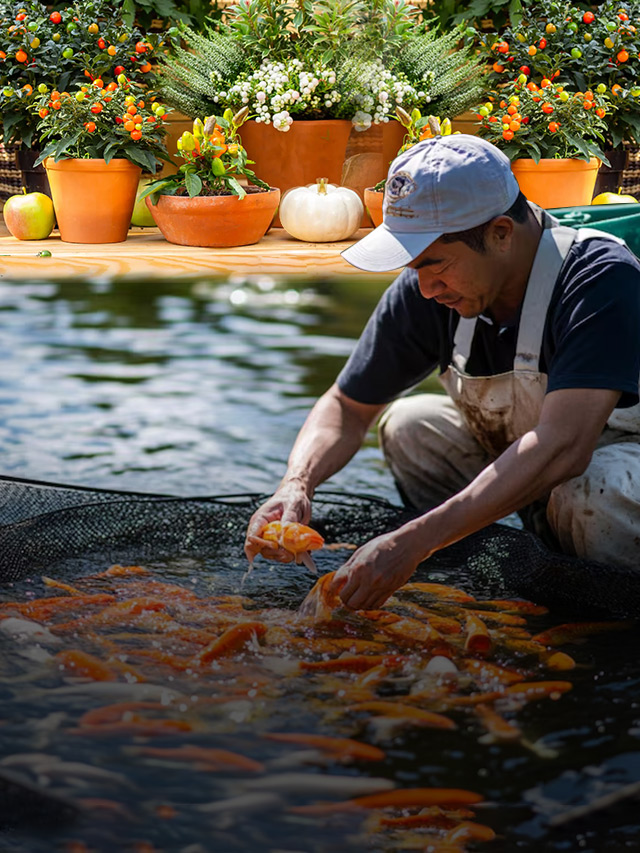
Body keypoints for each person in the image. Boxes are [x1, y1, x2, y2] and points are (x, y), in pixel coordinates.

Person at [244, 134, 640, 610]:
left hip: (603, 470)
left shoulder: (601, 279)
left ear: (500, 233)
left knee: (594, 489)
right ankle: (496, 570)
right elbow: (346, 407)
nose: (425, 288)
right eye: (413, 267)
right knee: (410, 427)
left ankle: (608, 621)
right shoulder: (429, 289)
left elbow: (564, 448)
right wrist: (296, 483)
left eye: (435, 265)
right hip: (544, 476)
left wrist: (411, 542)